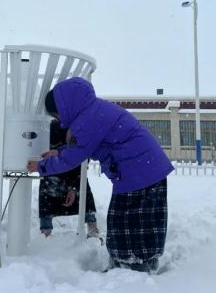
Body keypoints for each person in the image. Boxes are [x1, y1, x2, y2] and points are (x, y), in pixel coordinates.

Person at [27, 77, 174, 273]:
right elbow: (83, 147)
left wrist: (41, 166)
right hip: (143, 170)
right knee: (130, 221)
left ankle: (134, 269)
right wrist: (60, 151)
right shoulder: (93, 111)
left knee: (131, 222)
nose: (59, 122)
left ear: (65, 107)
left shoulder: (87, 120)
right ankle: (130, 264)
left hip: (139, 173)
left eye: (57, 115)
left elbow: (73, 156)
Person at [38, 120, 99, 238]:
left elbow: (83, 160)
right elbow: (43, 156)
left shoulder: (78, 130)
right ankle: (45, 234)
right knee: (47, 197)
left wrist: (74, 187)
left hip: (75, 170)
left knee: (84, 193)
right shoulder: (49, 129)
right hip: (53, 172)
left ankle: (93, 230)